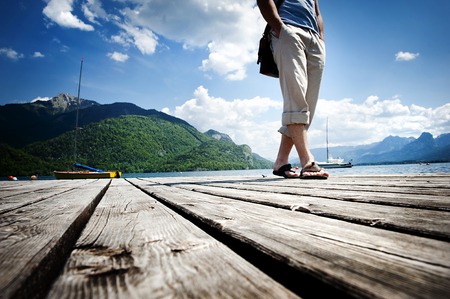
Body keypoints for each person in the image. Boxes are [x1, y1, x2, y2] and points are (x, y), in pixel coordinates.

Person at [257, 0, 329, 179]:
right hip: (288, 30)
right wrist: (280, 28)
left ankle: (281, 161)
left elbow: (317, 11)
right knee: (295, 96)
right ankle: (307, 160)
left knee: (309, 104)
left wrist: (321, 37)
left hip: (315, 40)